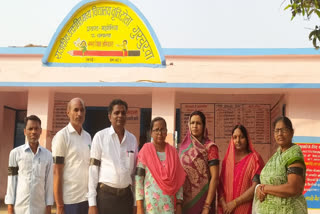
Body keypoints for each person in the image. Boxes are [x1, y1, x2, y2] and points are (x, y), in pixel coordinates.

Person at [88, 99, 138, 214]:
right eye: (116, 113)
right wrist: (92, 204)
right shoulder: (100, 137)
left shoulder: (132, 140)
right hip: (106, 198)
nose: (120, 115)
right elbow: (93, 170)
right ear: (110, 116)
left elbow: (134, 174)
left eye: (123, 113)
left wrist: (135, 203)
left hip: (126, 199)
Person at [253, 116, 307, 214]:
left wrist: (265, 188)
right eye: (277, 131)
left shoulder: (294, 155)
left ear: (292, 132)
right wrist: (258, 188)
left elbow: (293, 188)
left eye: (284, 130)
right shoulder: (276, 155)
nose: (280, 134)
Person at [136, 117, 186, 214]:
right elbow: (139, 180)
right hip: (150, 207)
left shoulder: (173, 152)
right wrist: (139, 207)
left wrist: (179, 204)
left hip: (169, 206)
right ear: (151, 132)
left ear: (166, 131)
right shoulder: (145, 151)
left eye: (162, 129)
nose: (160, 133)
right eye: (156, 130)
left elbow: (179, 180)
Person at [5, 115, 53, 214]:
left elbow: (49, 183)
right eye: (30, 129)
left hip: (39, 209)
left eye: (36, 128)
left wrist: (48, 208)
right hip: (20, 209)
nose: (33, 132)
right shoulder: (15, 153)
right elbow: (11, 181)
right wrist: (10, 208)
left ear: (40, 131)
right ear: (24, 131)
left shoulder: (48, 155)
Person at [52, 97, 91, 214]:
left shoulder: (88, 137)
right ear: (68, 112)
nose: (79, 113)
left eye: (82, 110)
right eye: (76, 110)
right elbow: (57, 172)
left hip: (87, 198)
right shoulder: (62, 136)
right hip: (70, 200)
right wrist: (59, 205)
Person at [179, 111, 219, 214]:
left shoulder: (210, 147)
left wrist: (207, 206)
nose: (195, 126)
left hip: (204, 201)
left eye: (198, 123)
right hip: (185, 202)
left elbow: (215, 178)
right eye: (192, 123)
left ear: (204, 126)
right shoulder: (184, 147)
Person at [218, 124, 264, 214]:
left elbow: (255, 186)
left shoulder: (255, 159)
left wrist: (235, 203)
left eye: (241, 137)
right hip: (226, 210)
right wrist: (224, 205)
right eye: (235, 137)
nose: (238, 140)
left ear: (247, 139)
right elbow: (220, 187)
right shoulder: (227, 162)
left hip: (246, 209)